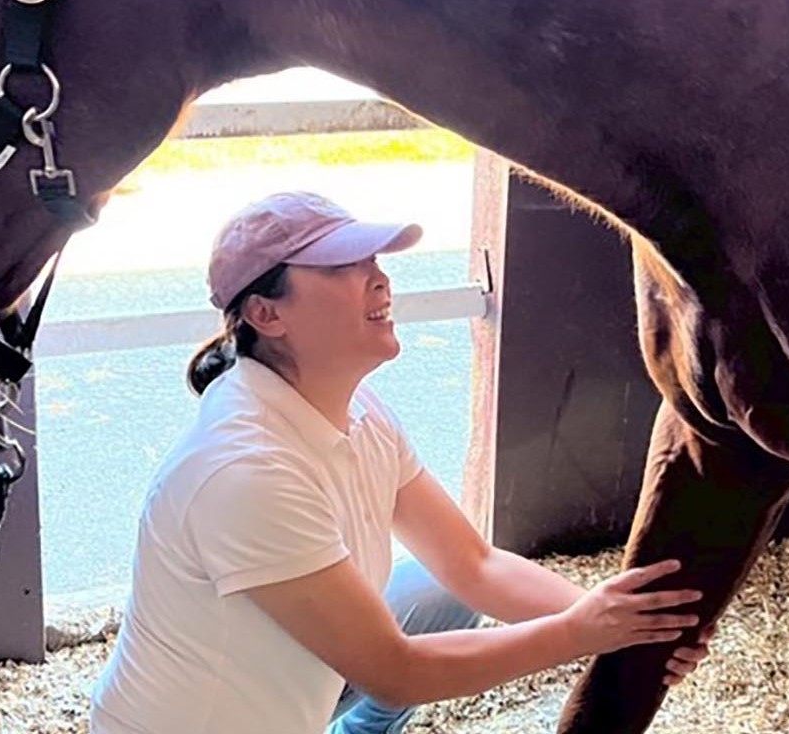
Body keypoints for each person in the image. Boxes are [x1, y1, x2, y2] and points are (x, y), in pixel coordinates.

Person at [91, 191, 709, 734]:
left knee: (440, 587)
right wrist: (581, 633)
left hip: (288, 687)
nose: (381, 280)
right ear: (266, 314)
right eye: (343, 267)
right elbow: (397, 672)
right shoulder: (244, 472)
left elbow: (475, 564)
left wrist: (625, 620)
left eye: (374, 261)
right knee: (390, 647)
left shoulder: (357, 407)